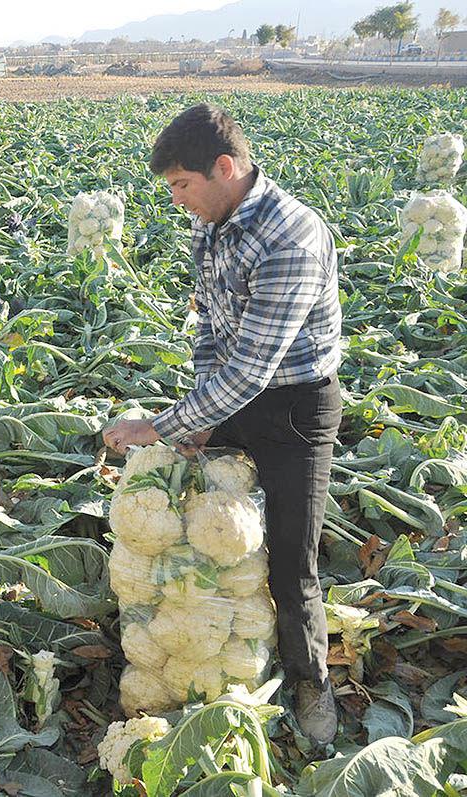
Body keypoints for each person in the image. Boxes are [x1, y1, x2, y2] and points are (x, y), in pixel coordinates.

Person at [102, 104, 343, 745]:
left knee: (293, 561)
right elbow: (211, 332)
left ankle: (309, 681)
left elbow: (255, 368)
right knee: (202, 522)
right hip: (234, 396)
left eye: (183, 185)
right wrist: (200, 419)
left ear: (224, 168)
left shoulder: (290, 235)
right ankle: (199, 645)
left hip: (296, 407)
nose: (179, 201)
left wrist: (165, 425)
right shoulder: (213, 224)